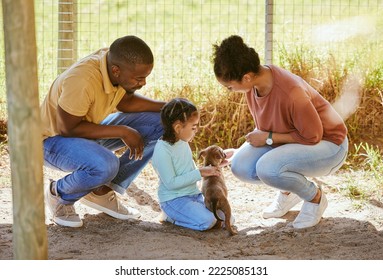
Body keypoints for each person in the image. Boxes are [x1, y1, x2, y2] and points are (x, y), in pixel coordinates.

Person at [212, 35, 348, 229]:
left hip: (330, 145)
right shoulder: (254, 87)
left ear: (246, 77)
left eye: (229, 86)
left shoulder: (290, 91)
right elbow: (272, 127)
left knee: (268, 168)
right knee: (241, 165)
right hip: (299, 141)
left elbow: (312, 136)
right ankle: (288, 191)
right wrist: (242, 149)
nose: (229, 90)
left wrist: (267, 138)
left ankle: (315, 198)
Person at [41, 35, 166, 227]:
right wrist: (123, 131)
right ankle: (59, 194)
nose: (144, 83)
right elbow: (67, 128)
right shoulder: (82, 80)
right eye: (139, 78)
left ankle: (100, 190)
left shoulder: (113, 66)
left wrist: (167, 107)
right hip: (50, 140)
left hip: (81, 133)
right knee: (106, 164)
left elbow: (125, 101)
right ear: (116, 71)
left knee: (162, 122)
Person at [151, 98, 223, 231]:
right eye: (193, 127)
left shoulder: (182, 142)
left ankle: (190, 214)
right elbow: (171, 183)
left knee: (225, 218)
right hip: (174, 200)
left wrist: (210, 170)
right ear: (178, 127)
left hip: (193, 195)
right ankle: (170, 217)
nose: (196, 131)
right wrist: (200, 172)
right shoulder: (163, 150)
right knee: (208, 221)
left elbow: (187, 168)